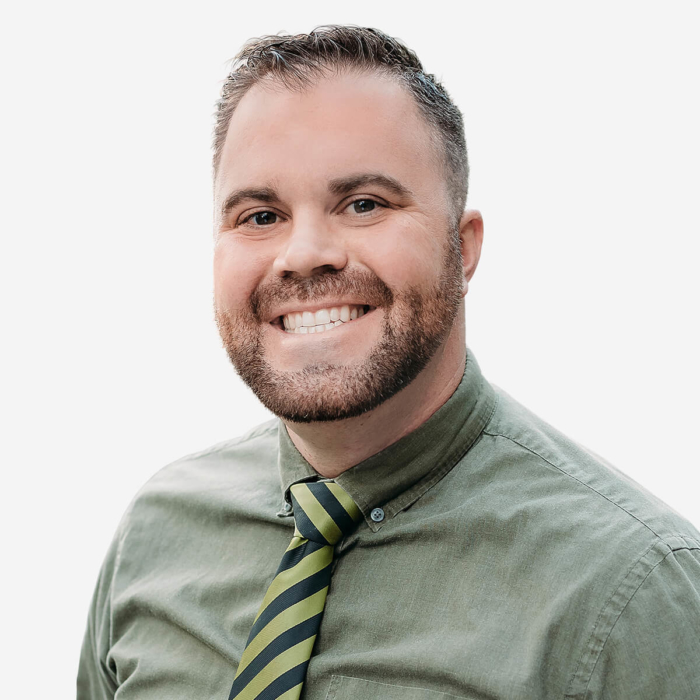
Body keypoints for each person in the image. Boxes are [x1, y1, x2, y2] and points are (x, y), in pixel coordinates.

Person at [77, 24, 700, 700]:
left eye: (364, 204)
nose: (305, 252)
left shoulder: (634, 591)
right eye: (260, 216)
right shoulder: (157, 534)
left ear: (462, 249)